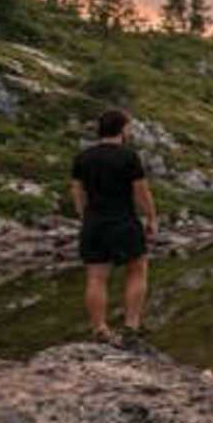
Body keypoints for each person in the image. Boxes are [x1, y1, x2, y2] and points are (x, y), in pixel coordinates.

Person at [70, 110, 157, 346]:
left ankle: (99, 329)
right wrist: (151, 217)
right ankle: (131, 325)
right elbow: (141, 192)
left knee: (96, 277)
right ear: (122, 129)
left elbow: (78, 192)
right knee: (137, 269)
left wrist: (84, 215)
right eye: (128, 127)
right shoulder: (128, 157)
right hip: (123, 221)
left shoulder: (83, 157)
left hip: (94, 222)